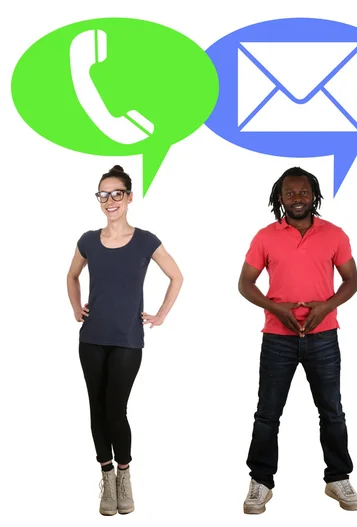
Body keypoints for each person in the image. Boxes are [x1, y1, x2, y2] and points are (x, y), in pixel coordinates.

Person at [238, 167, 357, 514]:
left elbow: (351, 280)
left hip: (323, 336)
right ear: (280, 197)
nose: (297, 199)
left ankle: (338, 479)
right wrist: (275, 309)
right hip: (278, 338)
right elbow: (245, 283)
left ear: (314, 195)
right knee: (267, 414)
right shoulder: (265, 237)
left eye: (303, 192)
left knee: (332, 412)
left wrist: (327, 307)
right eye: (290, 193)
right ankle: (260, 482)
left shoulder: (334, 234)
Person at [66, 165, 183, 516]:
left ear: (129, 197)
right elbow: (71, 275)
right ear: (98, 199)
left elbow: (176, 276)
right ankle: (105, 475)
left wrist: (160, 315)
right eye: (104, 194)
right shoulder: (88, 240)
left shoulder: (146, 240)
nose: (110, 200)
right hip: (92, 339)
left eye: (117, 193)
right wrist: (76, 307)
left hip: (128, 339)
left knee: (116, 409)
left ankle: (124, 475)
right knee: (96, 409)